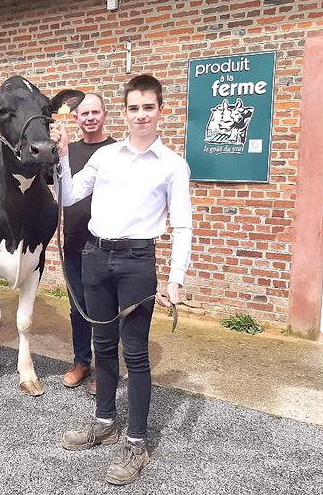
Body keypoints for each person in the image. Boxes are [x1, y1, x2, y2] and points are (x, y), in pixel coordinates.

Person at [51, 75, 193, 485]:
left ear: (160, 111)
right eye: (134, 108)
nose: (141, 115)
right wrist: (62, 156)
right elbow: (71, 194)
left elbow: (182, 226)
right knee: (102, 346)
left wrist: (175, 278)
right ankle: (105, 422)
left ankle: (137, 440)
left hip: (136, 262)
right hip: (95, 256)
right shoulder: (107, 157)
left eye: (148, 107)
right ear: (126, 112)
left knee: (135, 354)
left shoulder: (172, 165)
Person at [60, 93, 116, 395]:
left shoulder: (117, 151)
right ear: (76, 119)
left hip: (106, 246)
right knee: (78, 308)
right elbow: (56, 187)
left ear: (105, 115)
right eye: (85, 113)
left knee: (105, 310)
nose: (90, 117)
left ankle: (107, 370)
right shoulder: (67, 152)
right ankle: (82, 361)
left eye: (95, 112)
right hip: (74, 243)